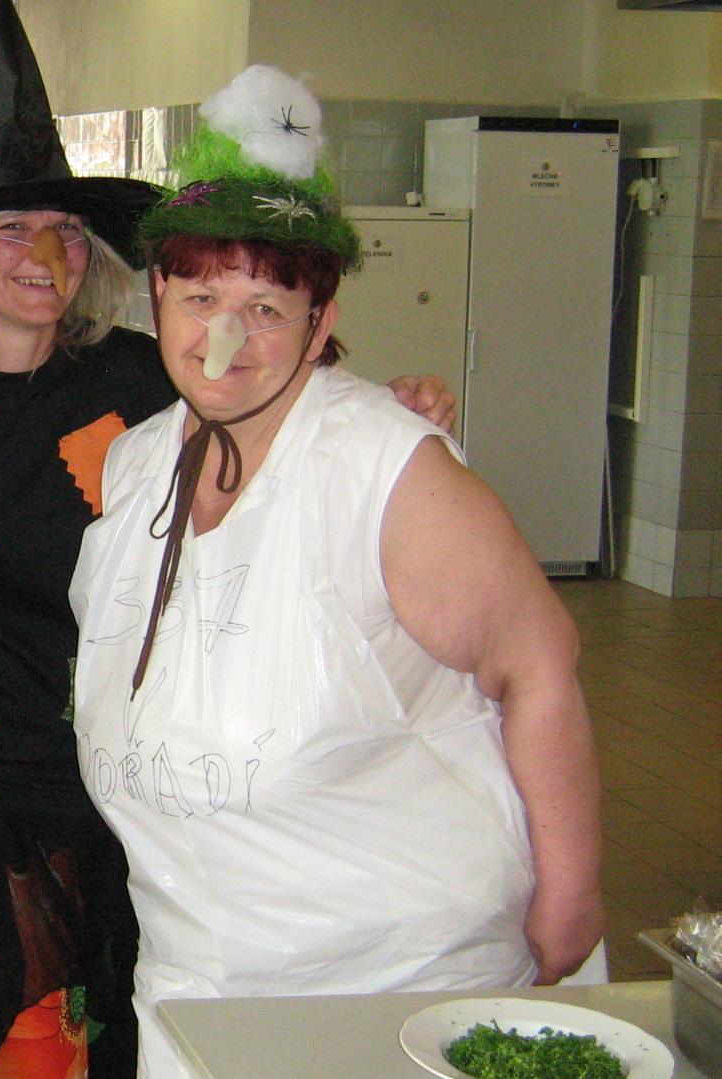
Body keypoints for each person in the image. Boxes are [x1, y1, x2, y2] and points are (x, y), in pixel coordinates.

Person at [0, 6, 456, 1077]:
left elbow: (281, 405)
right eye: (11, 227)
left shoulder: (136, 375)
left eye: (67, 230)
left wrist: (392, 410)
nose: (47, 252)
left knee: (116, 1024)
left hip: (126, 776)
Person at [68, 66, 603, 1079]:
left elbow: (539, 664)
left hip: (393, 987)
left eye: (267, 307)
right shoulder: (137, 463)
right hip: (198, 976)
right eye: (201, 297)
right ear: (158, 298)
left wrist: (570, 896)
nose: (224, 338)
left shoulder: (384, 470)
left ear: (321, 320)